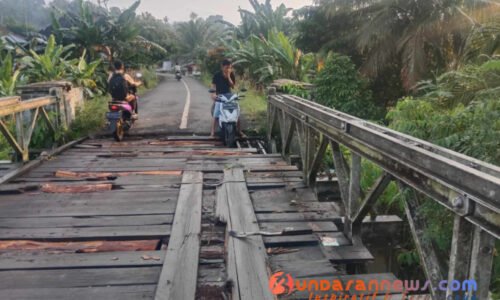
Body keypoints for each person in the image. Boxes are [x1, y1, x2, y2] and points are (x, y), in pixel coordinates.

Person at [210, 59, 245, 138]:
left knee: (237, 113)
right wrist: (213, 94)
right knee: (216, 114)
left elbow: (232, 86)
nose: (228, 69)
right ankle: (212, 133)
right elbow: (213, 86)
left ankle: (239, 131)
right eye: (226, 67)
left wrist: (229, 76)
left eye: (230, 67)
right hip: (220, 96)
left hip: (229, 96)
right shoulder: (217, 75)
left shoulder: (231, 74)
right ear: (222, 67)